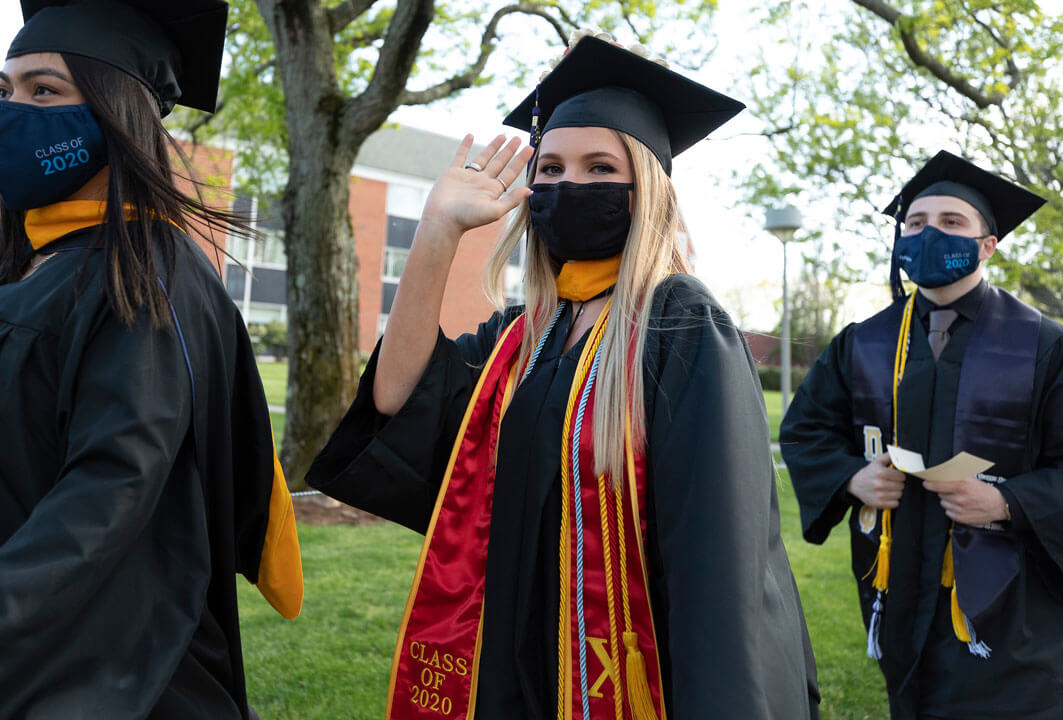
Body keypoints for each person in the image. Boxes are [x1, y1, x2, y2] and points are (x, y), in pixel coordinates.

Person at [306, 33, 819, 720]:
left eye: (599, 167)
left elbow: (719, 565)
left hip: (637, 675)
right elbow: (398, 397)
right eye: (548, 170)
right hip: (510, 662)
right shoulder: (523, 333)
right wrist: (436, 235)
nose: (567, 186)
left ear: (646, 189)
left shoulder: (681, 326)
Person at [0, 1, 303, 718]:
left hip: (68, 682)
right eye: (4, 90)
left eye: (44, 91)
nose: (11, 112)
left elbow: (102, 508)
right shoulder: (29, 270)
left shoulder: (145, 279)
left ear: (114, 116)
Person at [780, 150, 1063, 719]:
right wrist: (852, 477)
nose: (929, 235)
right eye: (916, 224)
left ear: (987, 245)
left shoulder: (1046, 346)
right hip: (900, 593)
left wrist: (1007, 500)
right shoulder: (865, 343)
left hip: (1016, 613)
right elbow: (807, 430)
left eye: (952, 223)